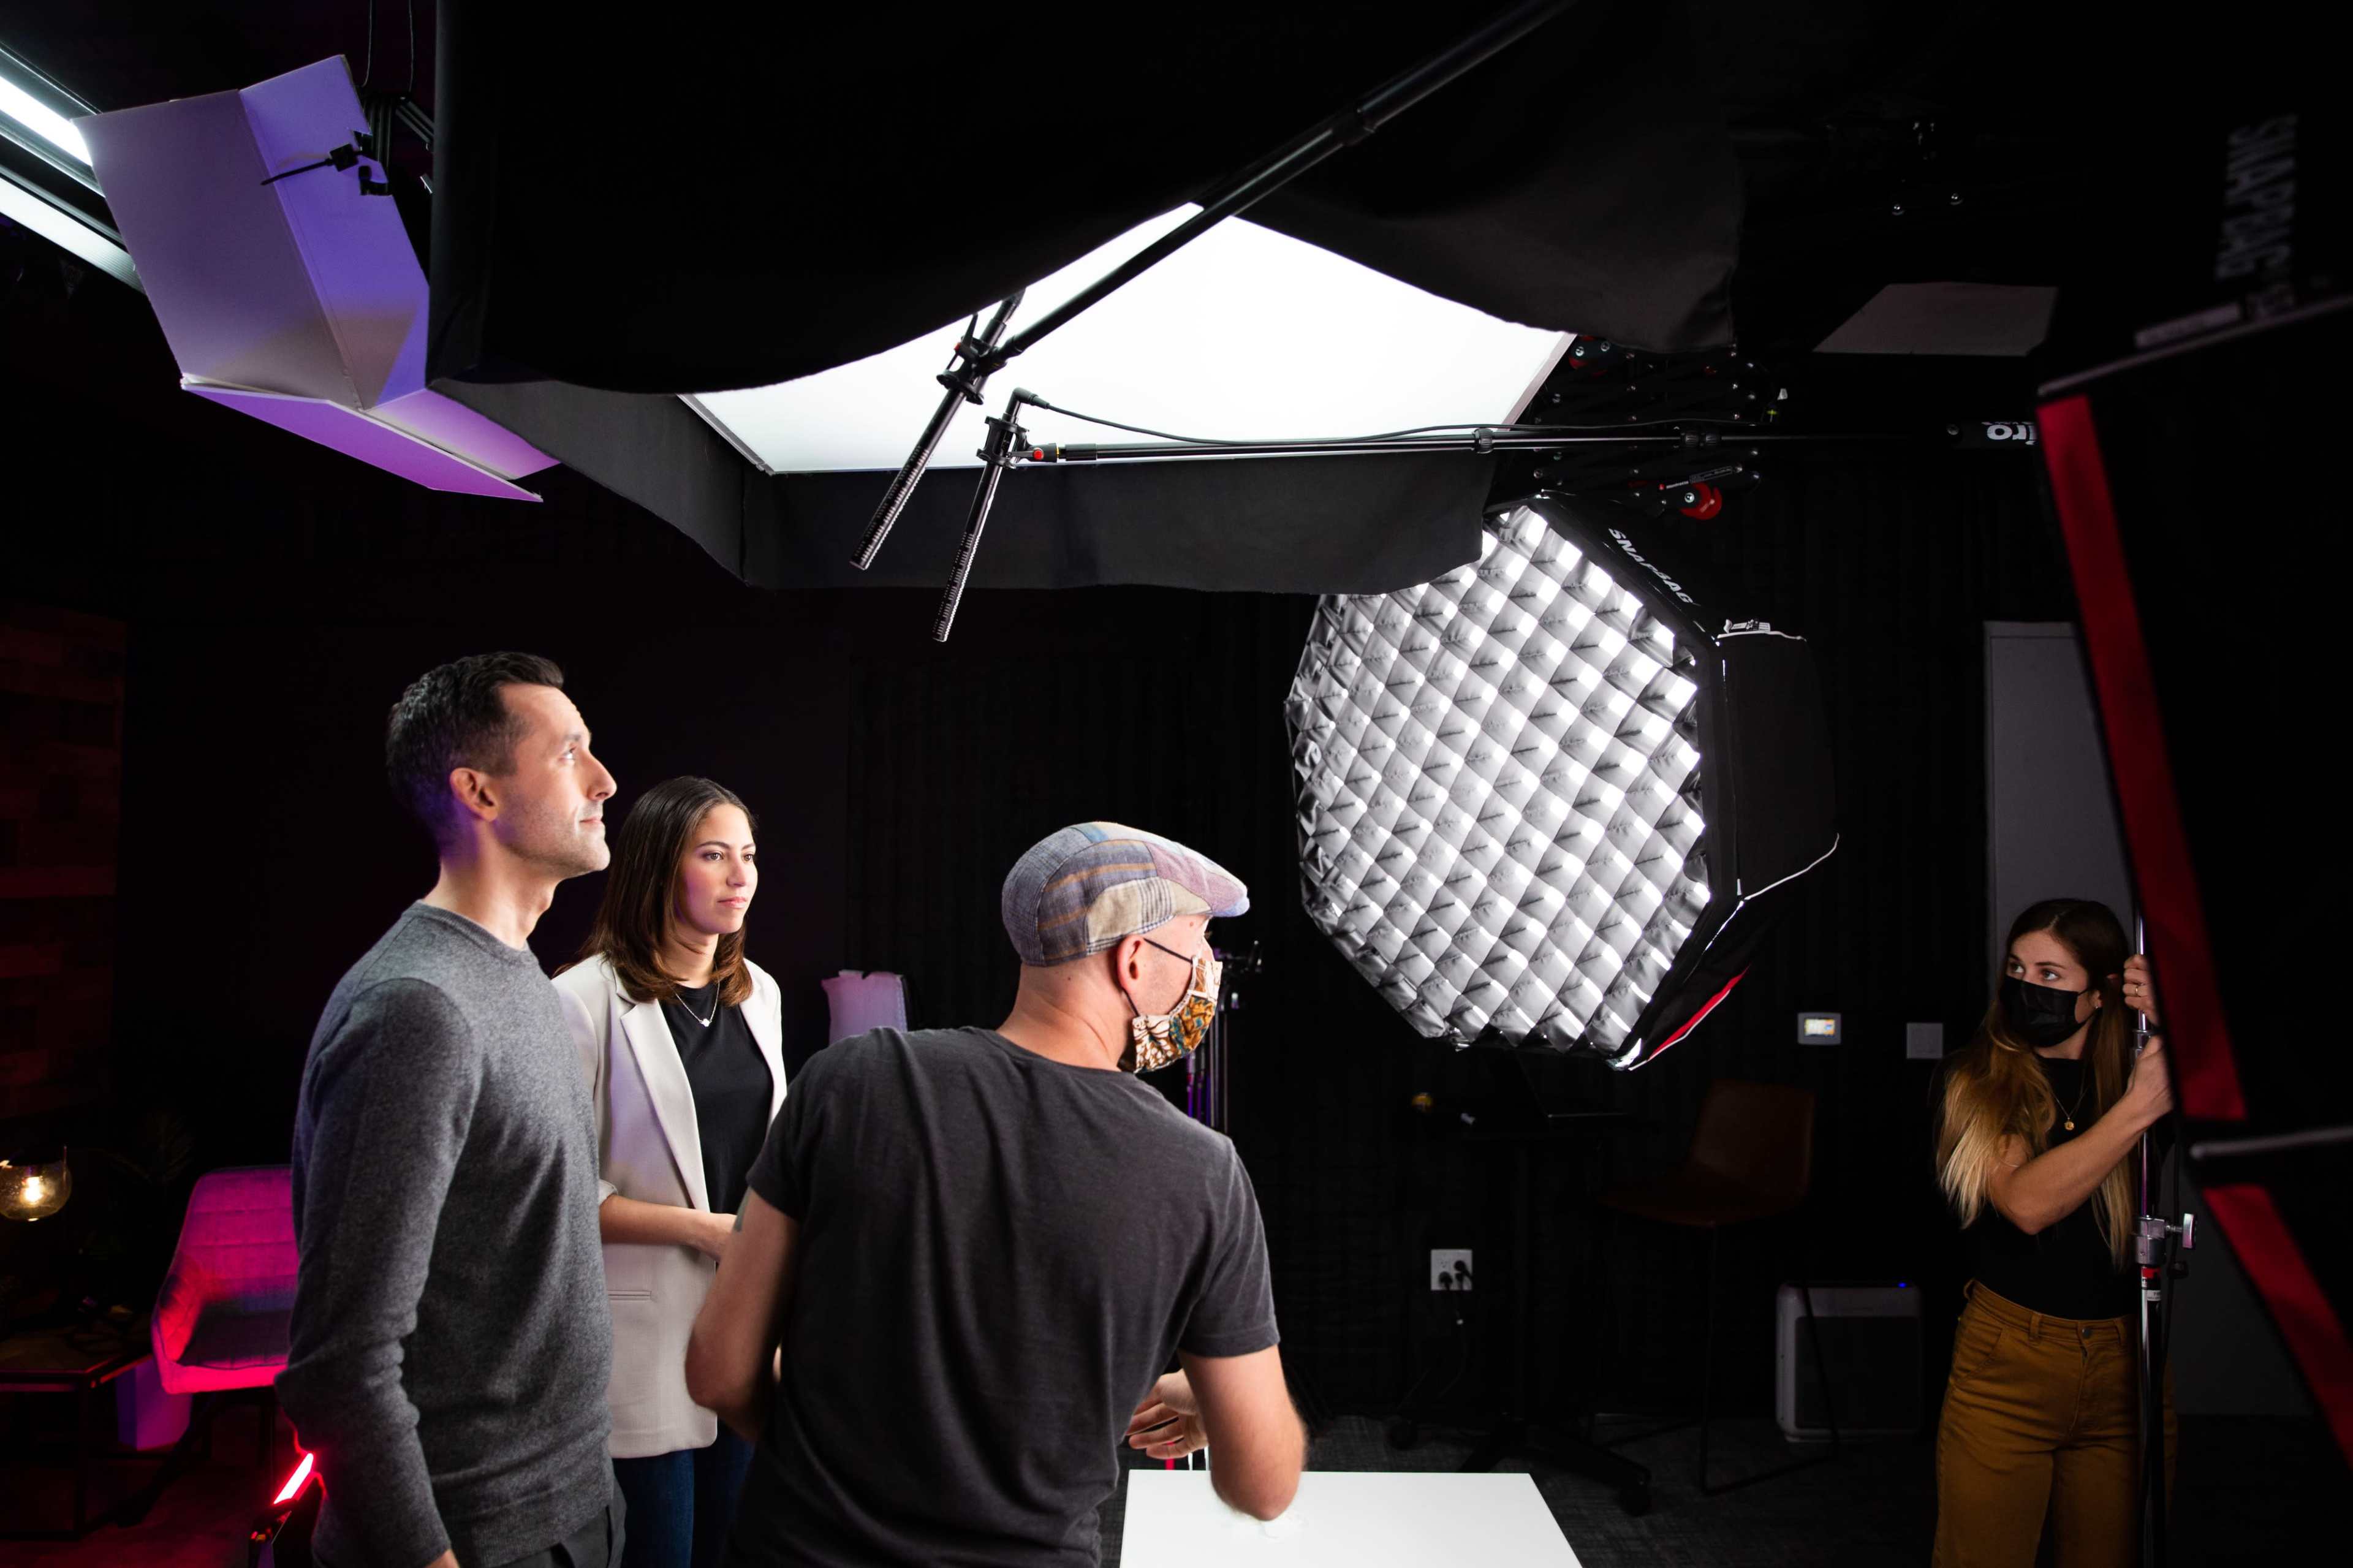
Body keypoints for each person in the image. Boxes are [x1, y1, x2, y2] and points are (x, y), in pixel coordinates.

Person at [686, 822, 1304, 1566]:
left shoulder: (849, 1080)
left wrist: (834, 1444)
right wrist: (1209, 1402)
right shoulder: (1202, 1172)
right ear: (1133, 961)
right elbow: (1263, 1485)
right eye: (1198, 948)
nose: (1209, 972)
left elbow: (720, 1370)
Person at [281, 653, 624, 1568]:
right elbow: (340, 1366)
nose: (605, 779)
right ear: (477, 790)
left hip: (575, 1502)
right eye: (570, 754)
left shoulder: (519, 980)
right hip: (479, 1535)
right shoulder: (417, 1010)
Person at [555, 778, 787, 1568]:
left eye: (748, 856)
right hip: (640, 1337)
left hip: (747, 1327)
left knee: (734, 1544)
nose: (740, 876)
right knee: (662, 1552)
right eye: (714, 855)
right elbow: (555, 1194)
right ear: (659, 867)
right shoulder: (579, 1002)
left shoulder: (760, 996)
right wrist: (706, 1231)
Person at [1931, 898, 2177, 1568]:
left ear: (2100, 997)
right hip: (2009, 1362)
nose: (2025, 989)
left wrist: (2181, 1020)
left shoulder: (2138, 1074)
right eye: (2017, 969)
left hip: (2127, 1362)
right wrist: (2138, 1111)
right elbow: (2027, 1203)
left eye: (2049, 975)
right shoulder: (1980, 1079)